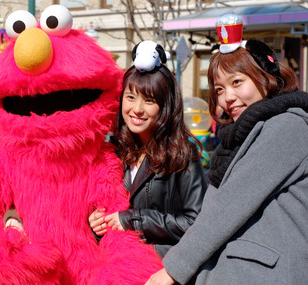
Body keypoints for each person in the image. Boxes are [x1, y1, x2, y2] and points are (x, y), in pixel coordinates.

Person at [145, 14, 308, 285]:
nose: (227, 98)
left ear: (264, 77)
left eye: (237, 83)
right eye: (219, 89)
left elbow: (229, 205)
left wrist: (172, 269)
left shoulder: (287, 126)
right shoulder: (249, 132)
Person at [89, 40, 207, 258]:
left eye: (149, 100)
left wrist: (136, 220)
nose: (137, 109)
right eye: (130, 97)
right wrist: (95, 224)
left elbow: (197, 223)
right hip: (115, 266)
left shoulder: (181, 153)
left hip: (160, 268)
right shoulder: (111, 151)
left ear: (166, 106)